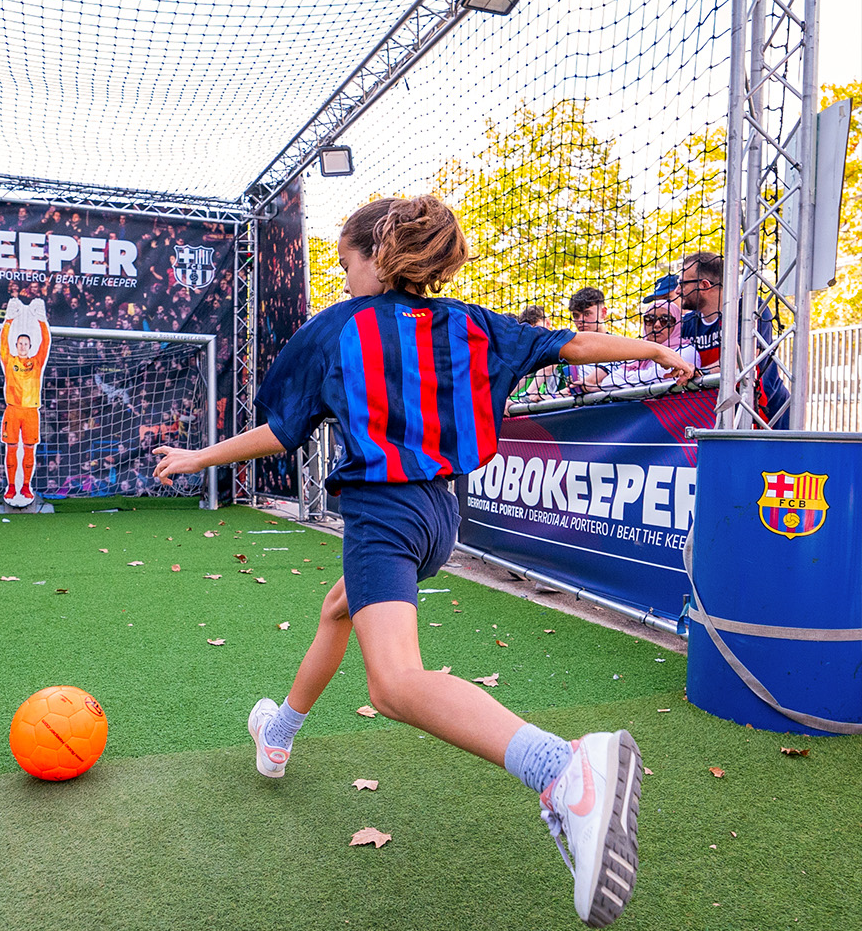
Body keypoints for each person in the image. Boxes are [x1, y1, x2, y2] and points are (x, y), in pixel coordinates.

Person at [152, 195, 693, 929]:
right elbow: (569, 346)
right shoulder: (470, 323)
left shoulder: (336, 330)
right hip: (443, 517)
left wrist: (196, 457)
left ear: (377, 256)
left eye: (345, 265)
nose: (344, 281)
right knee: (338, 607)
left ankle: (564, 771)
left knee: (396, 682)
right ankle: (277, 734)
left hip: (382, 513)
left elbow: (280, 434)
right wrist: (654, 350)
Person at [677, 250, 790, 429]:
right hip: (716, 413)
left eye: (683, 284)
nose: (677, 290)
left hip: (764, 414)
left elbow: (743, 361)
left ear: (705, 285)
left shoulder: (749, 308)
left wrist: (699, 374)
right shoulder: (689, 322)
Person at [0, 297, 51, 506]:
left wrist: (41, 321)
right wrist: (9, 321)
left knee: (29, 449)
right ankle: (11, 486)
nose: (22, 346)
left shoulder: (36, 362)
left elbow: (46, 344)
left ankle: (26, 486)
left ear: (30, 346)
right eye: (19, 343)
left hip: (31, 411)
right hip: (12, 410)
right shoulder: (10, 360)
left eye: (25, 344)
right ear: (16, 345)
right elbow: (3, 342)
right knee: (11, 448)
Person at [566, 286, 618, 393]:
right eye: (576, 316)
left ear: (603, 313)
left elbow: (588, 383)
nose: (580, 320)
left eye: (587, 314)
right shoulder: (572, 351)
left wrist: (550, 398)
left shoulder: (619, 346)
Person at [509, 304, 566, 401]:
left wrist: (531, 391)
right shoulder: (533, 349)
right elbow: (525, 375)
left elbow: (550, 365)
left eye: (537, 328)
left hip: (562, 396)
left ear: (547, 323)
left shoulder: (557, 341)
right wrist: (508, 395)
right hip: (543, 398)